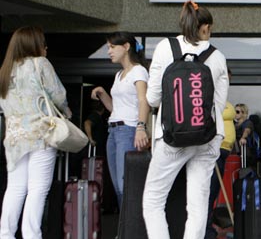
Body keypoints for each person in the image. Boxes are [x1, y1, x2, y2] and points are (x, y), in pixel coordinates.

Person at [142, 0, 229, 239]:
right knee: (198, 205)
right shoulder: (218, 57)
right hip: (207, 137)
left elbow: (152, 97)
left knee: (153, 199)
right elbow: (217, 106)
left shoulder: (164, 47)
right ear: (207, 27)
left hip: (172, 135)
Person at [0, 26, 73, 238]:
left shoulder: (5, 70)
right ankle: (31, 234)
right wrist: (66, 112)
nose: (45, 47)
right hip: (42, 134)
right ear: (35, 44)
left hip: (14, 139)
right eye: (42, 42)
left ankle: (5, 234)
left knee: (15, 188)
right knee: (38, 189)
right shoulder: (40, 63)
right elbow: (58, 95)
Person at [91, 31, 150, 209]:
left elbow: (143, 99)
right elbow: (115, 109)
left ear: (126, 47)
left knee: (127, 186)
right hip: (114, 131)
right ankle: (125, 229)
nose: (109, 51)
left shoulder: (139, 71)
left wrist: (141, 127)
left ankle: (133, 231)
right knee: (118, 186)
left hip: (129, 130)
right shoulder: (119, 75)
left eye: (112, 47)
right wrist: (102, 93)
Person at [205, 70, 235, 239]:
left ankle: (209, 227)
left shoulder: (223, 99)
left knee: (214, 191)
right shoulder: (211, 99)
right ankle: (206, 231)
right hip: (215, 150)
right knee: (209, 192)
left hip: (224, 152)